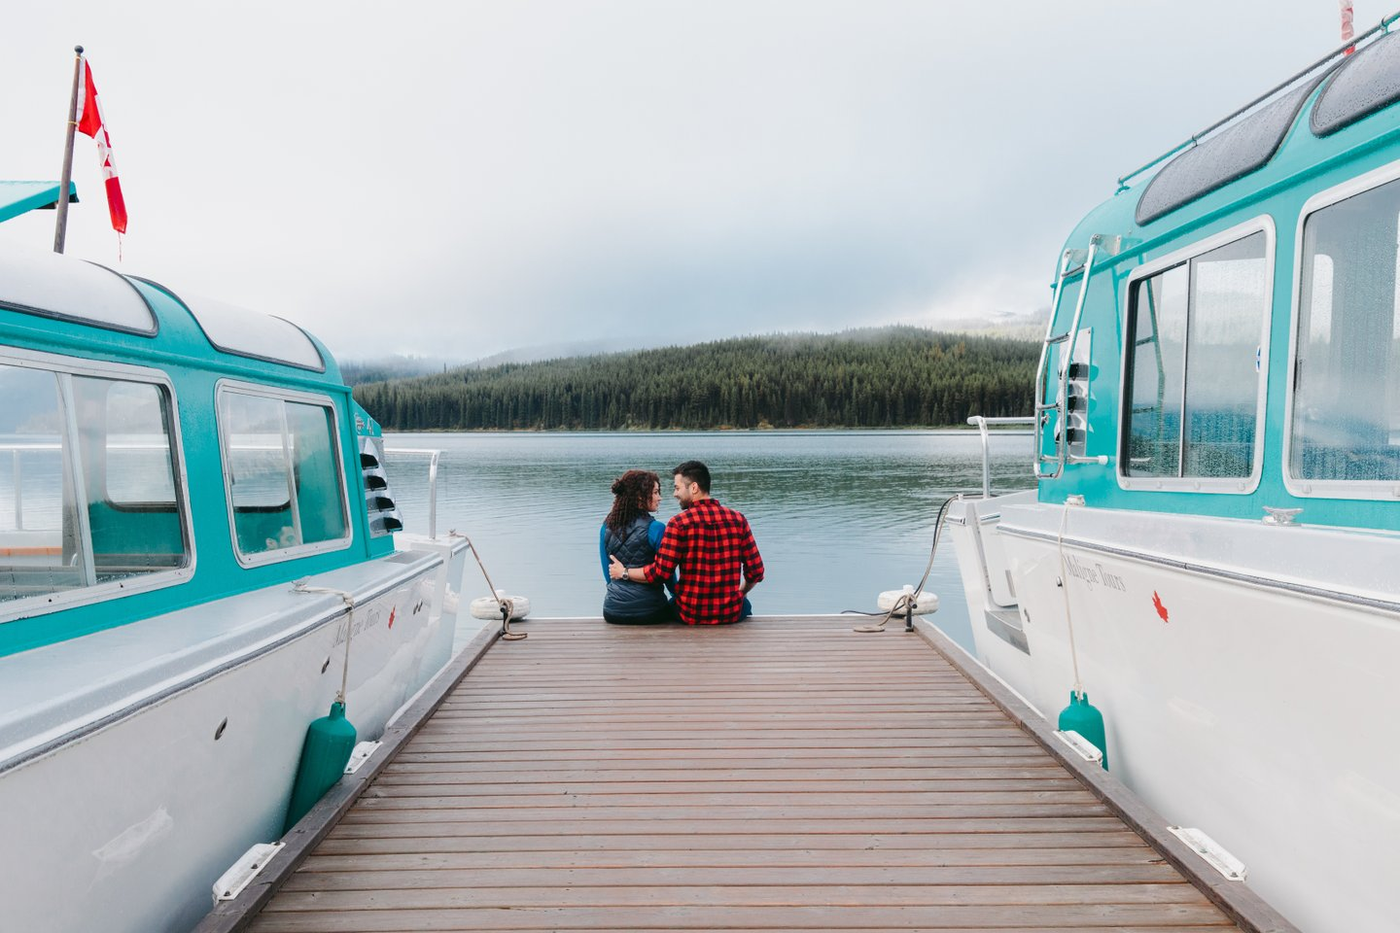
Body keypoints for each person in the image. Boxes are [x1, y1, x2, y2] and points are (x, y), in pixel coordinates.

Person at [609, 460, 763, 625]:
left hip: (690, 614)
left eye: (677, 488)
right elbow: (756, 571)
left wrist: (624, 572)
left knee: (668, 607)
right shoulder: (738, 520)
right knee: (744, 604)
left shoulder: (678, 524)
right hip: (729, 613)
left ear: (694, 488)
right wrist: (742, 592)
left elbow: (660, 573)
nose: (675, 494)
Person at [599, 469, 674, 625]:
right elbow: (667, 576)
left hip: (613, 611)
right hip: (650, 611)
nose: (659, 498)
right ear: (640, 497)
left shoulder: (606, 527)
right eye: (655, 492)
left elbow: (609, 575)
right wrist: (677, 596)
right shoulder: (656, 528)